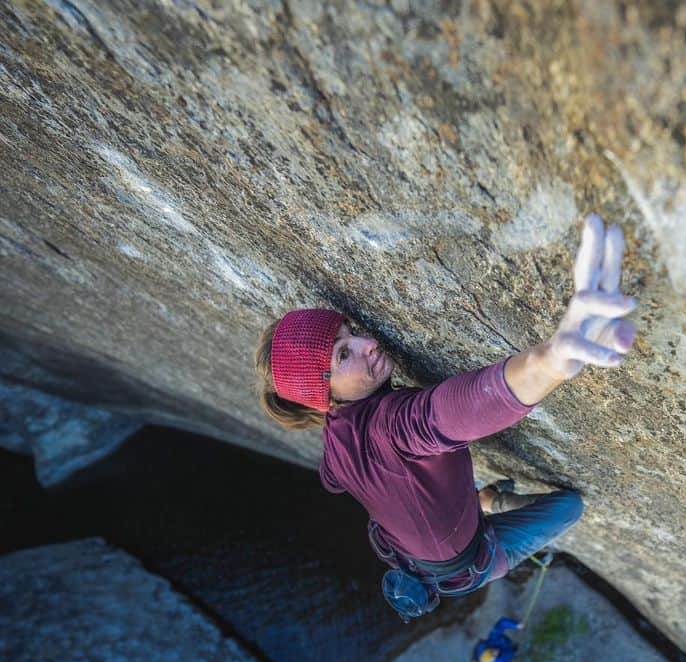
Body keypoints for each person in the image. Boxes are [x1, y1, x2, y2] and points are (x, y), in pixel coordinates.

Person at [253, 213, 637, 613]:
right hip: (469, 565)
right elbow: (459, 409)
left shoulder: (335, 444)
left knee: (554, 509)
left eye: (349, 331)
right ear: (326, 397)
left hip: (410, 551)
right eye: (343, 354)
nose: (367, 342)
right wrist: (552, 359)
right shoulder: (390, 427)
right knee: (568, 506)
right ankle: (487, 504)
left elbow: (335, 477)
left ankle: (484, 501)